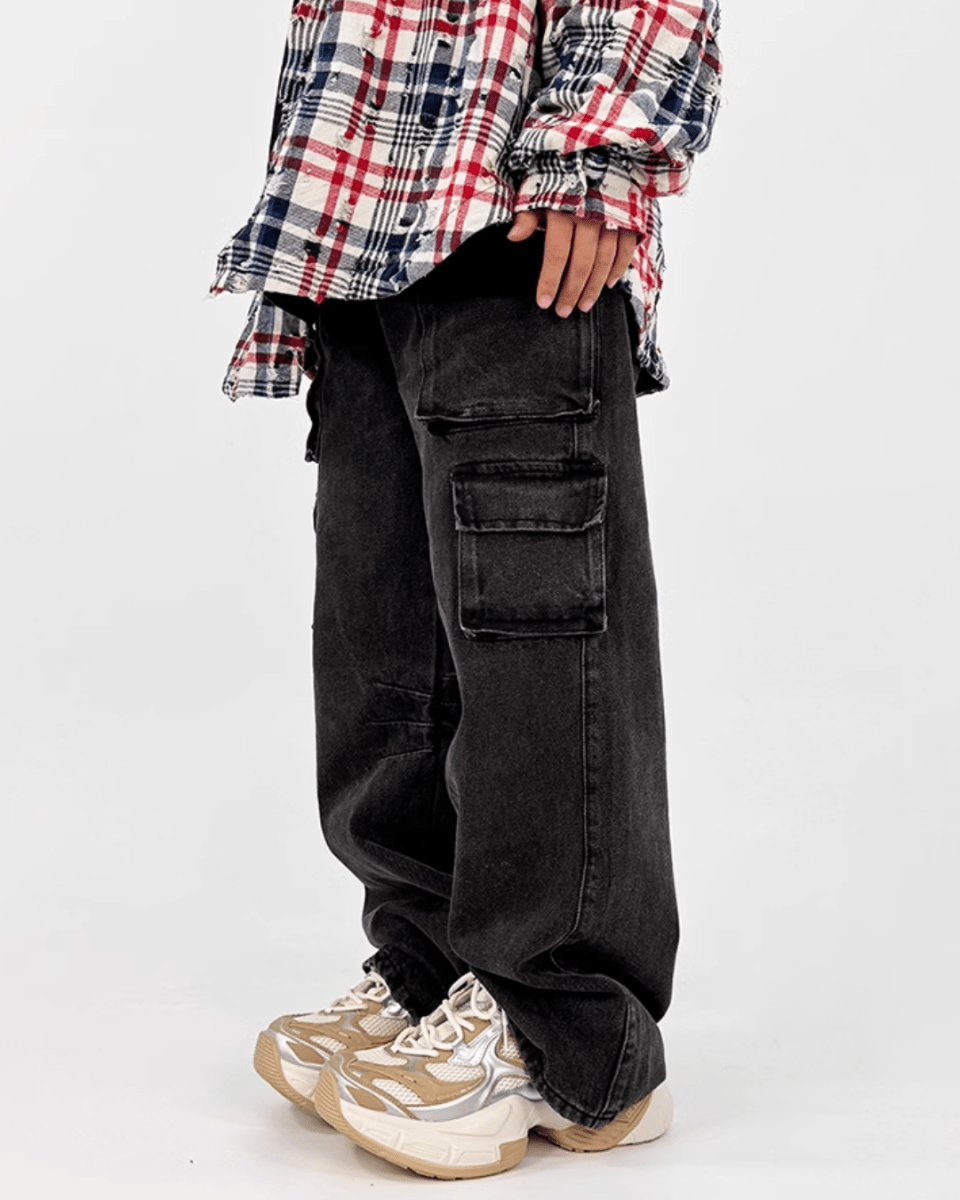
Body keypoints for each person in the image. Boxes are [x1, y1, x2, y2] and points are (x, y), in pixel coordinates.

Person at [207, 0, 723, 1180]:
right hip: (358, 221)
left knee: (537, 636)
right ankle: (433, 969)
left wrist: (597, 152)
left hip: (515, 213)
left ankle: (571, 1035)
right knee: (383, 628)